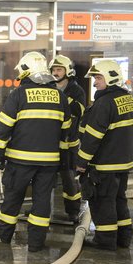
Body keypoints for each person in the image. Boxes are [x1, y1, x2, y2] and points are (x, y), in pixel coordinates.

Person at [0, 52, 74, 252]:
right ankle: (36, 244)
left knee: (13, 199)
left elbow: (3, 127)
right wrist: (64, 158)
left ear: (27, 71)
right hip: (49, 163)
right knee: (42, 202)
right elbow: (67, 131)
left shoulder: (19, 94)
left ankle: (4, 238)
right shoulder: (60, 96)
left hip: (20, 160)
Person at [75, 59, 133, 251]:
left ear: (111, 77)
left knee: (103, 201)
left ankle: (105, 240)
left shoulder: (104, 103)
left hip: (104, 166)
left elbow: (92, 137)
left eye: (98, 77)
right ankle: (124, 238)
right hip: (123, 164)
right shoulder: (129, 99)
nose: (95, 82)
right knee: (119, 200)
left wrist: (81, 162)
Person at [50, 54, 86, 222]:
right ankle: (41, 210)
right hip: (50, 143)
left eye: (59, 70)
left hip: (69, 143)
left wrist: (62, 99)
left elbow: (80, 111)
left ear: (67, 71)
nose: (56, 73)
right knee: (44, 179)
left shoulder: (76, 90)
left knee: (69, 180)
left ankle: (73, 212)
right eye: (54, 70)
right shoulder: (48, 88)